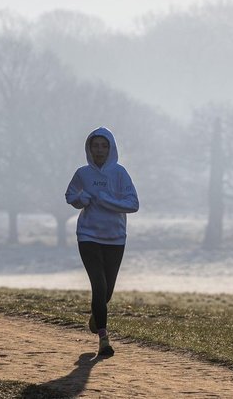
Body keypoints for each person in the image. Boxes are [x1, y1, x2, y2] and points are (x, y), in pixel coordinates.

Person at [65, 127, 139, 357]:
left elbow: (133, 204)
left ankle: (97, 316)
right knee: (99, 285)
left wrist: (106, 200)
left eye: (103, 145)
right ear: (89, 148)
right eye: (95, 145)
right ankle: (104, 339)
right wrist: (80, 199)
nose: (99, 149)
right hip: (88, 236)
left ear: (111, 148)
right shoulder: (82, 173)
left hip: (115, 238)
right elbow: (70, 195)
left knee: (106, 292)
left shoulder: (120, 173)